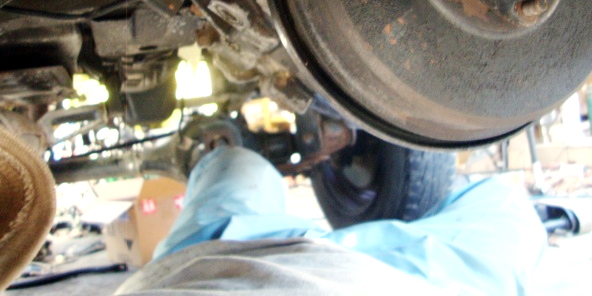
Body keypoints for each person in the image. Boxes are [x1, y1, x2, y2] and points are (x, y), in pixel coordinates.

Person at [115, 144, 547, 296]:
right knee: (504, 203)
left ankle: (209, 152)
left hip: (202, 260)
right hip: (386, 278)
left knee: (234, 162)